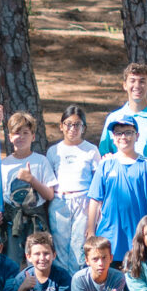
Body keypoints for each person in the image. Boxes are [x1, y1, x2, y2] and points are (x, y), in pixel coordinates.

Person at [97, 63, 147, 216]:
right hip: (121, 198)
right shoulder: (113, 119)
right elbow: (103, 156)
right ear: (124, 85)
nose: (137, 85)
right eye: (132, 80)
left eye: (142, 81)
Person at [87, 115, 147, 265]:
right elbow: (95, 199)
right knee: (110, 278)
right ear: (113, 138)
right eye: (118, 133)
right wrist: (90, 230)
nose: (123, 137)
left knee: (135, 276)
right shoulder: (105, 164)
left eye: (128, 132)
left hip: (136, 234)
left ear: (137, 136)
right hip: (109, 233)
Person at [0, 112, 57, 263]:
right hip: (12, 220)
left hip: (36, 220)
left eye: (25, 133)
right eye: (16, 133)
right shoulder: (4, 165)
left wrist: (31, 180)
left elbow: (49, 195)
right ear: (9, 137)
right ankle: (15, 287)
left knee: (37, 260)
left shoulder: (41, 161)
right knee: (12, 260)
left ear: (33, 136)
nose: (21, 137)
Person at [46, 105, 101, 272]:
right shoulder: (53, 151)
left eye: (77, 124)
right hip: (59, 202)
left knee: (79, 248)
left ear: (83, 128)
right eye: (68, 124)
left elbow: (97, 183)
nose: (72, 128)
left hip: (83, 202)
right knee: (60, 249)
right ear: (61, 126)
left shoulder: (91, 150)